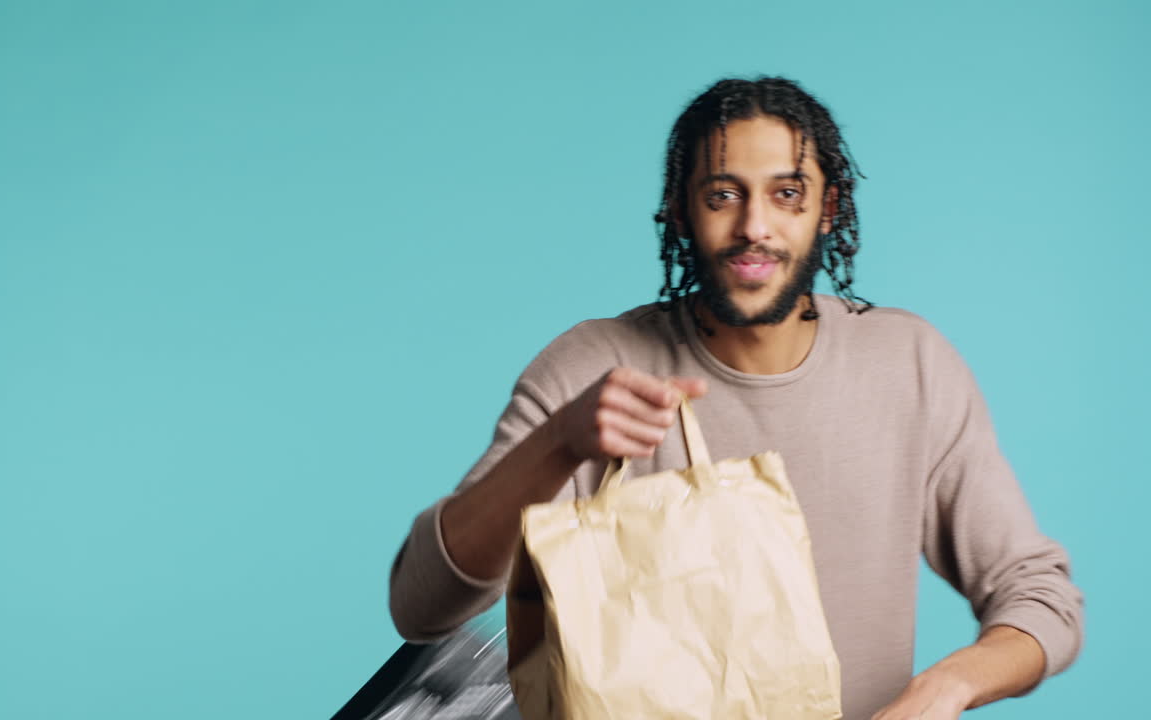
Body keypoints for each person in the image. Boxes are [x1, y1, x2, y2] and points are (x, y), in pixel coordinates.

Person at [387, 76, 1084, 720]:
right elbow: (422, 608)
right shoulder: (593, 368)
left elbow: (1041, 597)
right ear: (681, 212)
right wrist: (558, 445)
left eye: (787, 194)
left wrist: (947, 685)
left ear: (827, 209)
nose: (755, 225)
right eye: (723, 195)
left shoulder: (908, 365)